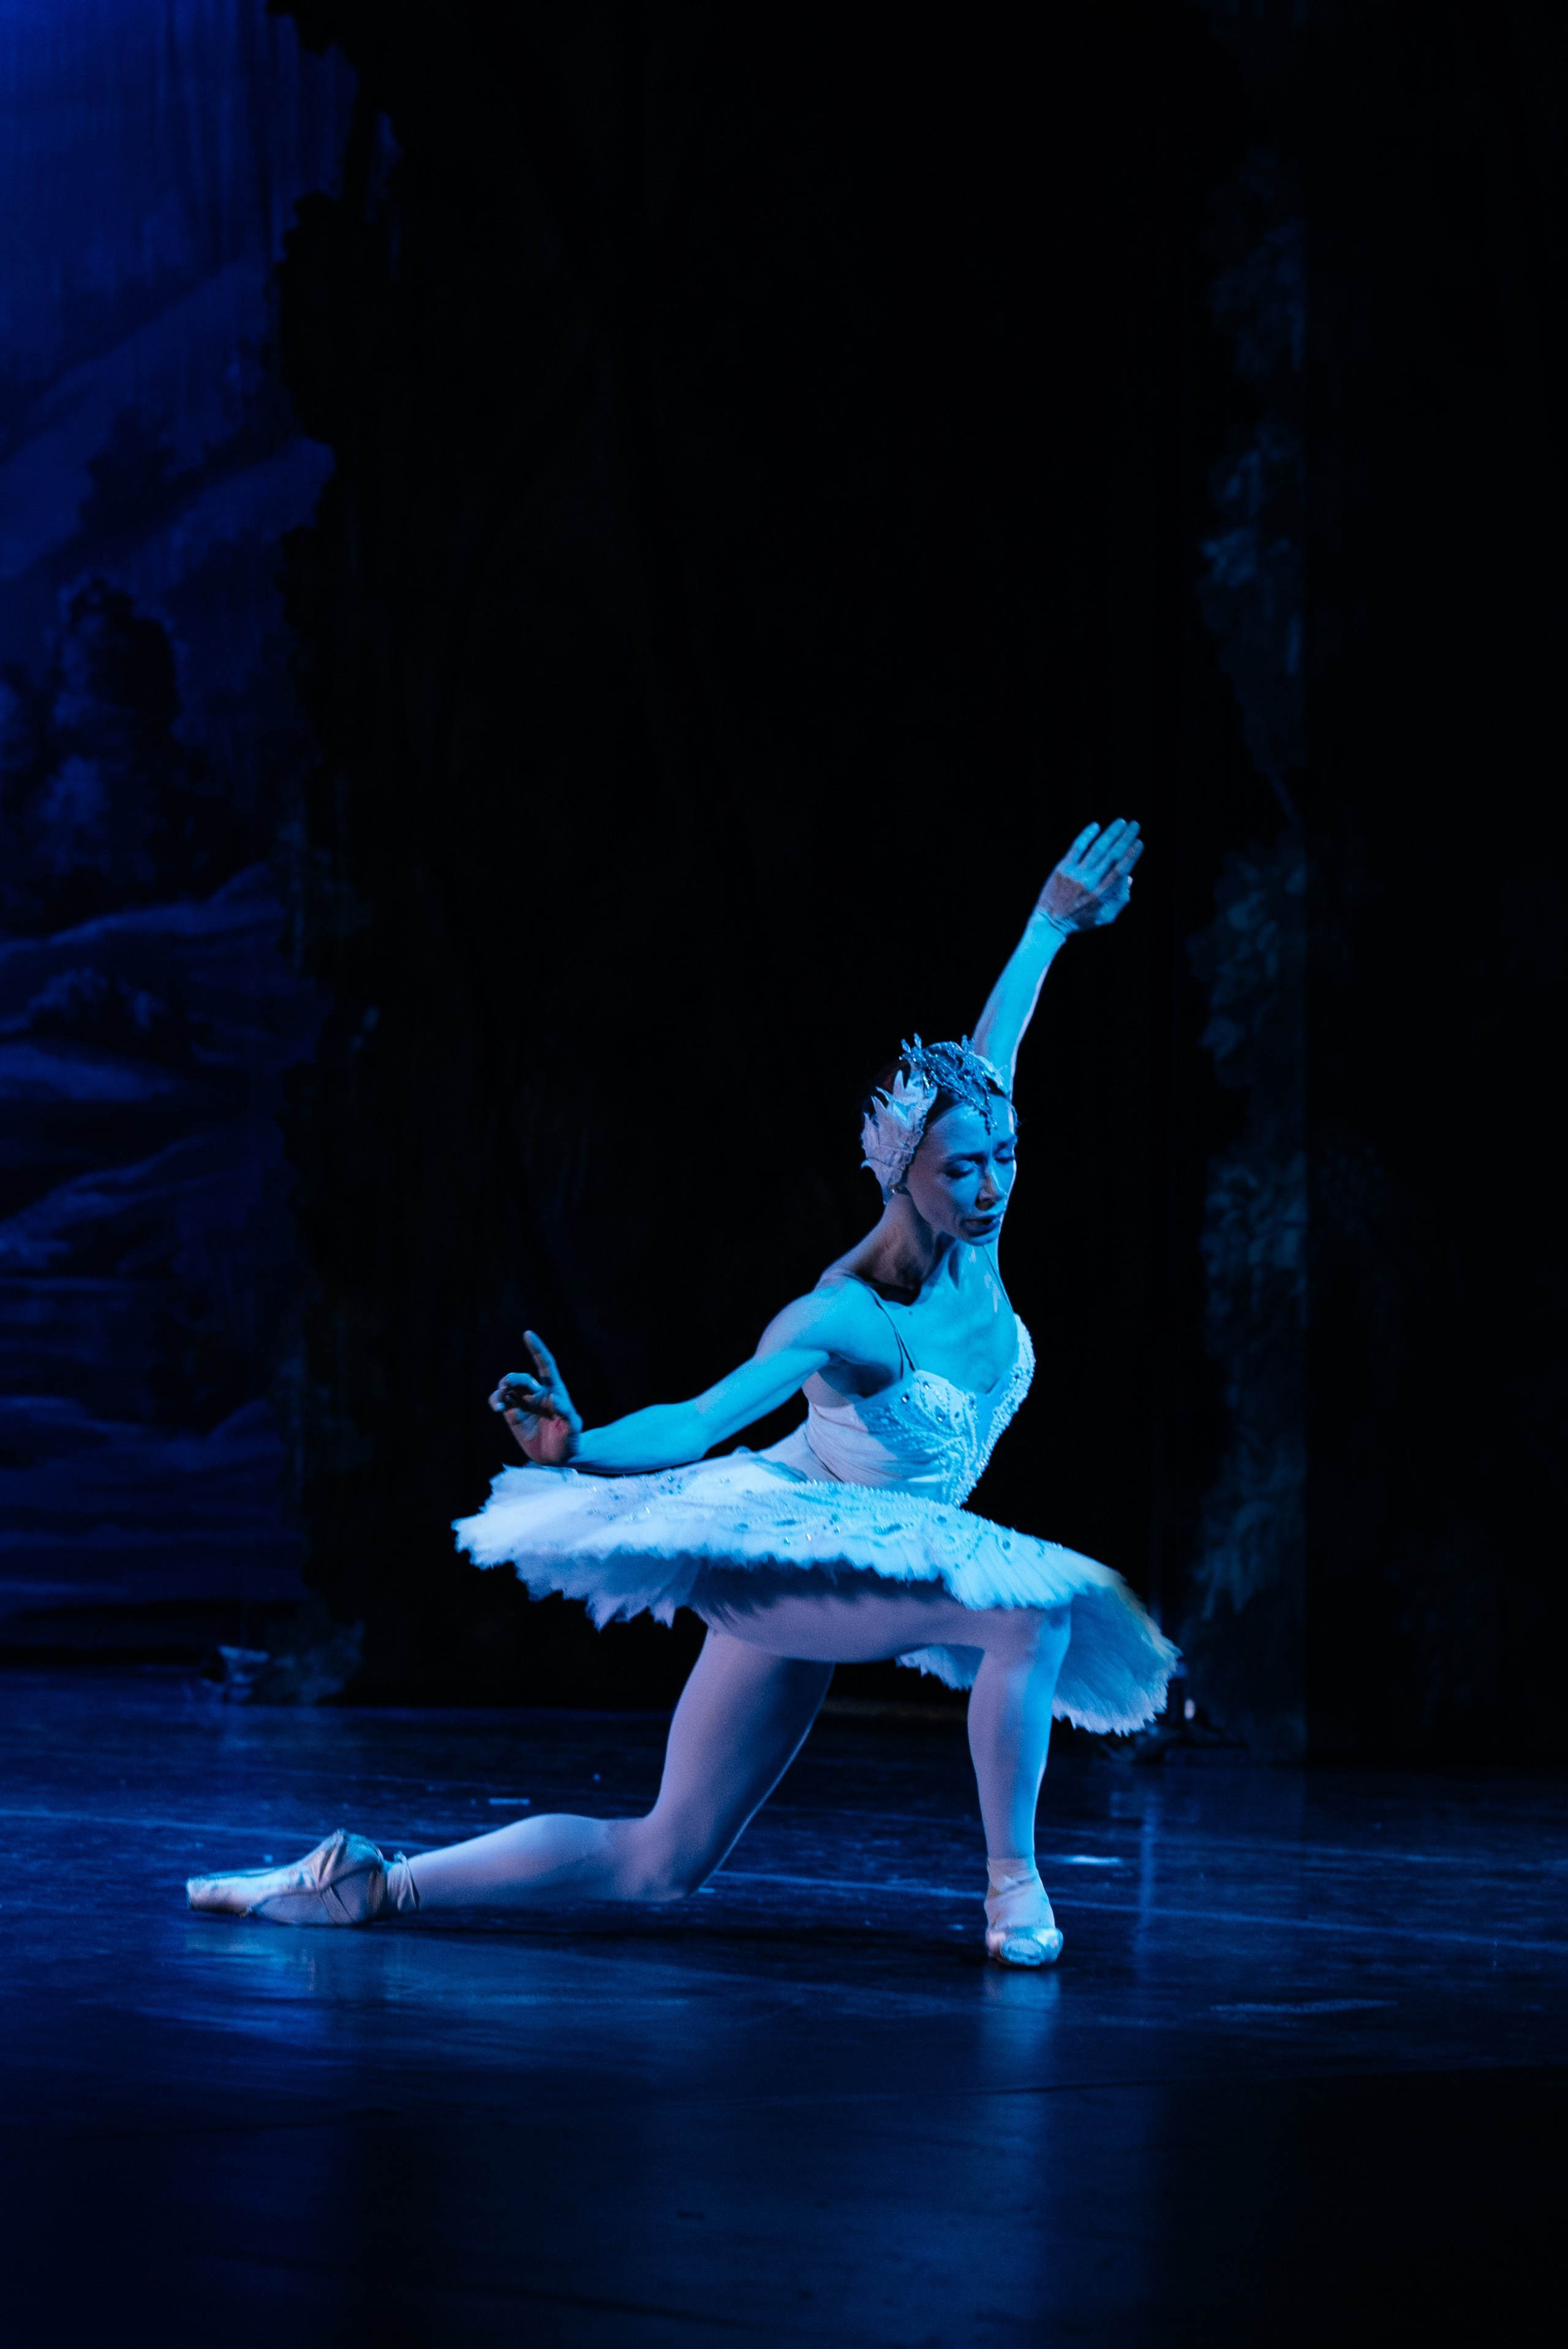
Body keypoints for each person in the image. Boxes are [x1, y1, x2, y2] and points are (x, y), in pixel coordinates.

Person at [188, 819, 1176, 1965]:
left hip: (869, 1559)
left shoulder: (978, 1231)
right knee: (1033, 1610)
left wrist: (1049, 921)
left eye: (1004, 1154)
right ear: (903, 1172)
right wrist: (576, 1446)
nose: (996, 1180)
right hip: (795, 1552)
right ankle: (1013, 1888)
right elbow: (707, 1421)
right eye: (966, 1166)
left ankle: (367, 1883)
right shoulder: (844, 1316)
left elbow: (992, 1051)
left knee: (665, 1859)